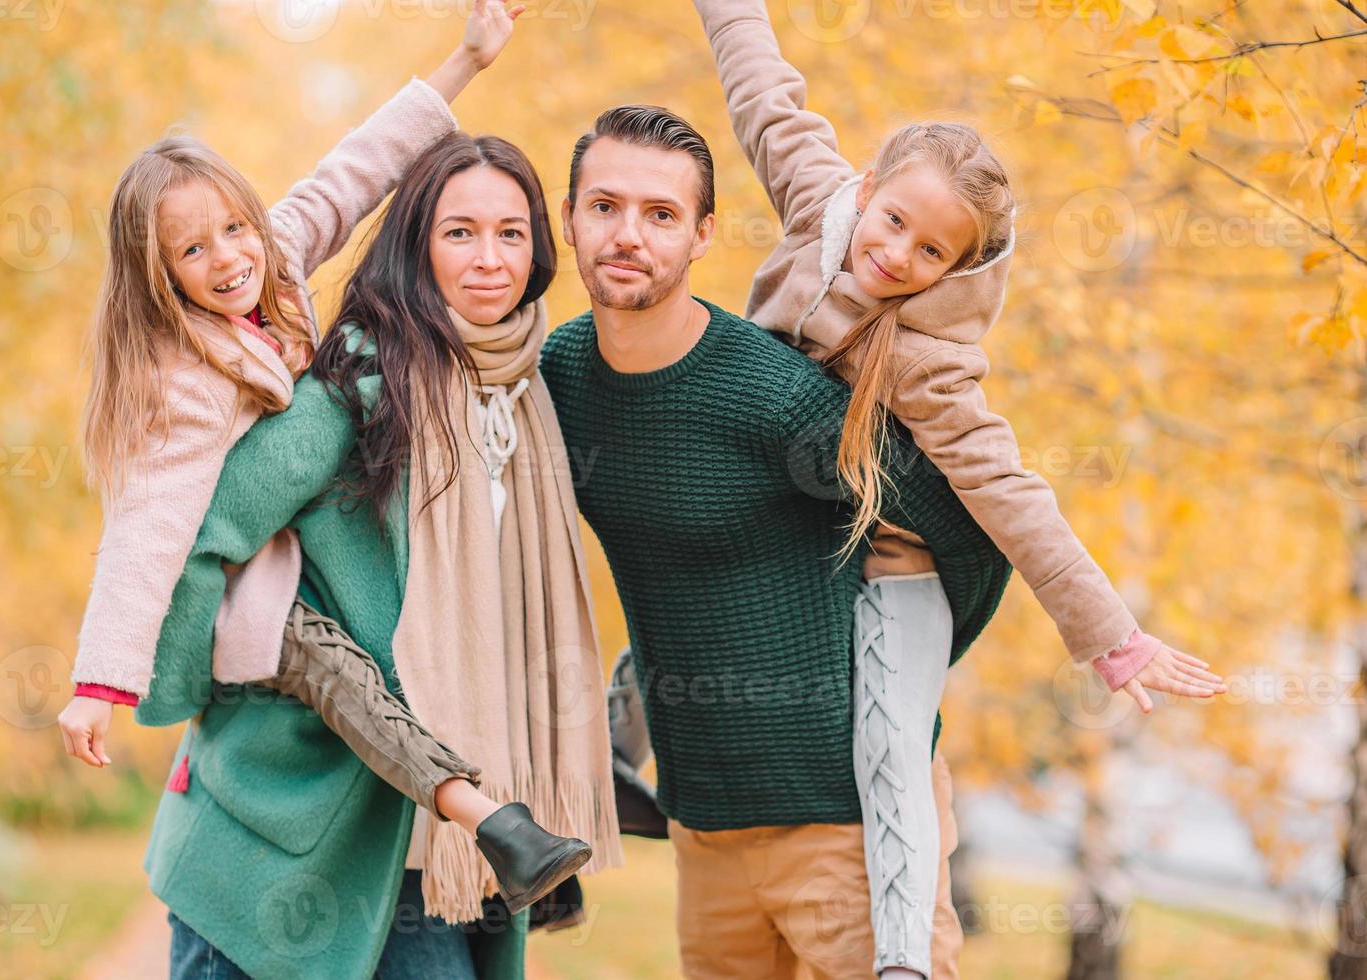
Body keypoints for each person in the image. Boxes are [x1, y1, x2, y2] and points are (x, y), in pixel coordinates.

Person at [691, 1, 1227, 974]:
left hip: (908, 559)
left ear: (956, 267)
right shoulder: (820, 203)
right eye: (893, 222)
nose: (895, 255)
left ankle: (902, 957)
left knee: (891, 741)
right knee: (687, 587)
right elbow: (766, 98)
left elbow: (1011, 490)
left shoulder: (930, 359)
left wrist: (1111, 634)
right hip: (795, 532)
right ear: (866, 189)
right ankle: (621, 754)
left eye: (929, 252)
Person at [57, 0, 592, 914]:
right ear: (161, 275)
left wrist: (465, 60)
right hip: (247, 591)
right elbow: (146, 539)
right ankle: (492, 821)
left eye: (235, 229)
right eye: (193, 250)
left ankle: (531, 847)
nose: (227, 259)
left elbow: (360, 165)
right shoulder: (182, 385)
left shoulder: (279, 264)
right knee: (353, 684)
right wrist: (96, 685)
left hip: (294, 553)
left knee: (376, 678)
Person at [539, 103, 1007, 980]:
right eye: (603, 206)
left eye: (661, 214)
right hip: (702, 827)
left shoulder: (774, 394)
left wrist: (893, 690)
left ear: (703, 234)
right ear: (568, 219)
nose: (627, 235)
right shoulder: (560, 377)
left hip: (846, 819)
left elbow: (971, 539)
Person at [144, 127, 621, 978]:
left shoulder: (528, 394)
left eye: (511, 232)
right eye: (459, 231)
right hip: (296, 833)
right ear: (417, 246)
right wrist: (190, 688)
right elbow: (201, 536)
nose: (488, 257)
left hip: (445, 849)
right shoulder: (354, 386)